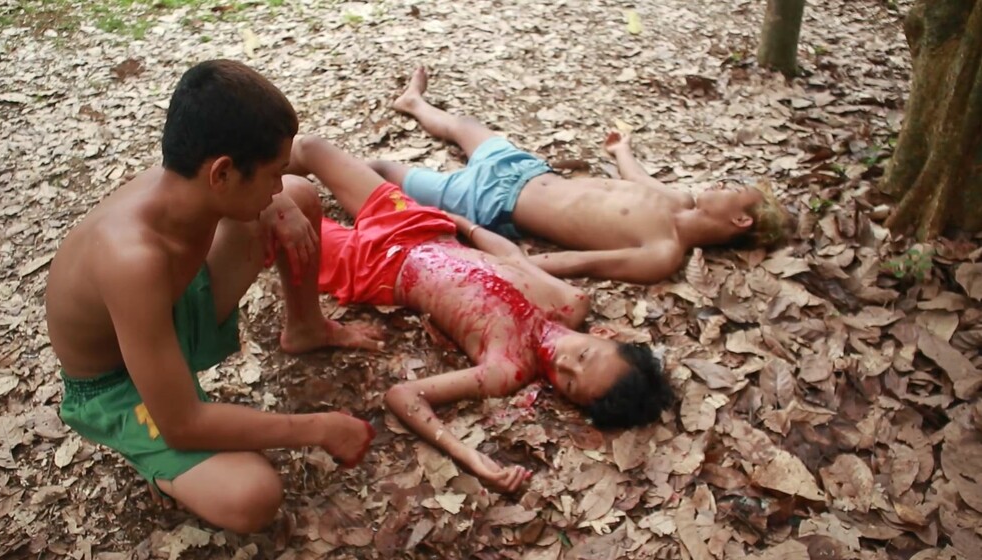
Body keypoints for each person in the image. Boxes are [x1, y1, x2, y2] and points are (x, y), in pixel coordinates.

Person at [45, 60, 381, 534]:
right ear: (222, 172)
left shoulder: (184, 180)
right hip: (117, 383)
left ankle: (306, 328)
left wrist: (280, 202)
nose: (276, 185)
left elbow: (273, 195)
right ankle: (157, 462)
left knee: (300, 199)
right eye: (272, 174)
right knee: (251, 497)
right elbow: (184, 423)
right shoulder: (131, 259)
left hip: (168, 313)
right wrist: (320, 427)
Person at [296, 135, 675, 493]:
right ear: (604, 335)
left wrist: (467, 456)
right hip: (419, 226)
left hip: (373, 270)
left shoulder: (507, 368)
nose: (564, 364)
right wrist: (463, 225)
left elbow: (403, 395)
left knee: (288, 208)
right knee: (311, 148)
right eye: (584, 356)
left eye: (570, 383)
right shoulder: (570, 300)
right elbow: (512, 257)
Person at [368, 68, 792, 285]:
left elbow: (582, 263)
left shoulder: (663, 253)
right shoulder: (678, 199)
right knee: (466, 127)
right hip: (526, 169)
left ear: (741, 220)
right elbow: (638, 181)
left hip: (492, 202)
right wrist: (621, 151)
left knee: (383, 170)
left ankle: (332, 184)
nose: (721, 183)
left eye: (733, 188)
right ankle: (414, 102)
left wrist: (509, 264)